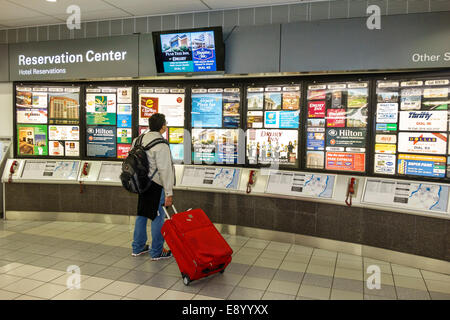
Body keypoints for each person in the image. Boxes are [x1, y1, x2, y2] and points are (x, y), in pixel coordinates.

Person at [131, 113, 175, 261]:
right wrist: (169, 193)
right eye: (165, 123)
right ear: (163, 126)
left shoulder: (138, 140)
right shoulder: (161, 144)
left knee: (142, 214)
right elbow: (165, 170)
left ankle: (137, 247)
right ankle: (156, 251)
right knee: (157, 217)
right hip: (156, 185)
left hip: (141, 184)